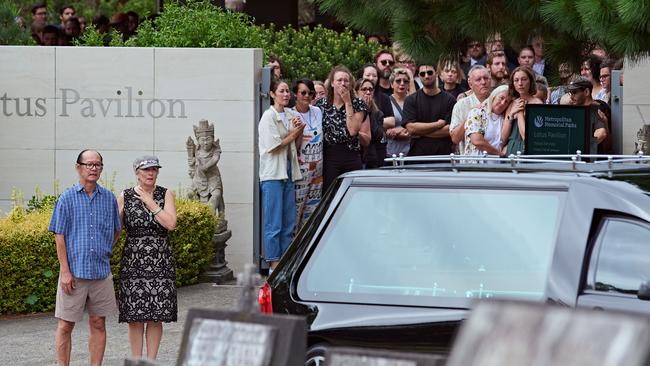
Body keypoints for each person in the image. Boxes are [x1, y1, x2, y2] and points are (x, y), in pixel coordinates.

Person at [49, 149, 121, 366]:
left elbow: (116, 230)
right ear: (78, 167)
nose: (93, 168)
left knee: (99, 323)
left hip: (101, 274)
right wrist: (65, 271)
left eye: (97, 164)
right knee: (65, 325)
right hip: (74, 274)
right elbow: (59, 235)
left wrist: (104, 249)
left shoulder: (108, 198)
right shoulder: (67, 198)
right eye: (89, 164)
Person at [118, 156, 177, 360]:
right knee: (134, 317)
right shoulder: (124, 196)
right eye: (146, 170)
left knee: (155, 316)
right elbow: (115, 230)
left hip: (160, 261)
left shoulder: (165, 193)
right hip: (133, 262)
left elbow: (170, 224)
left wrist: (150, 203)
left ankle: (150, 362)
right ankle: (136, 361)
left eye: (154, 169)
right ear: (137, 172)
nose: (150, 173)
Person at [258, 79, 304, 271]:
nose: (286, 95)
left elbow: (297, 145)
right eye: (281, 91)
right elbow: (274, 145)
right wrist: (294, 133)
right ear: (272, 94)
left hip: (288, 172)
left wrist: (299, 130)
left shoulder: (292, 114)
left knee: (289, 222)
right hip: (272, 176)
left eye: (287, 92)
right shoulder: (267, 117)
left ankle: (285, 263)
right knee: (273, 223)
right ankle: (274, 265)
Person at [315, 65, 368, 191]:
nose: (343, 84)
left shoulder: (358, 103)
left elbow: (353, 130)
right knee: (330, 193)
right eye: (339, 80)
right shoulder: (321, 104)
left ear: (350, 84)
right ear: (332, 83)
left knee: (352, 192)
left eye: (346, 80)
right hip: (330, 155)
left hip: (351, 154)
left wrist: (348, 102)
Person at [289, 79, 324, 230]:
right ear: (295, 94)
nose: (307, 96)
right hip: (301, 170)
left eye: (310, 93)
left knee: (313, 212)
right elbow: (293, 147)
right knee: (297, 211)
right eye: (303, 92)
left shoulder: (317, 111)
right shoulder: (290, 114)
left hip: (318, 169)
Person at [403, 63, 457, 156]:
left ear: (436, 73)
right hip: (417, 157)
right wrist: (438, 124)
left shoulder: (450, 99)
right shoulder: (411, 100)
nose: (426, 76)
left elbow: (449, 130)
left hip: (443, 157)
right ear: (419, 76)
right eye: (422, 74)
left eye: (429, 72)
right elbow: (411, 129)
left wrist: (420, 132)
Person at [450, 65, 492, 154]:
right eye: (478, 79)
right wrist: (470, 116)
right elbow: (455, 138)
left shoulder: (499, 101)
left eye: (486, 78)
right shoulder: (461, 105)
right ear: (470, 84)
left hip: (494, 158)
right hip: (469, 160)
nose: (483, 82)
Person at [502, 66, 544, 155]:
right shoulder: (511, 103)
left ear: (530, 81)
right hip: (511, 147)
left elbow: (527, 137)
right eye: (516, 80)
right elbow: (503, 137)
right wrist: (511, 116)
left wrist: (520, 112)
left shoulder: (537, 103)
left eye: (524, 79)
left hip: (526, 149)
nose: (520, 83)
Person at [464, 85, 511, 156]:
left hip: (496, 164)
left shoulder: (504, 119)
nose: (502, 103)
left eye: (507, 101)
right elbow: (477, 141)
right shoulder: (477, 113)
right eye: (501, 98)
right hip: (476, 163)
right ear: (494, 96)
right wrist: (500, 154)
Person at [567, 77, 609, 149]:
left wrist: (580, 148)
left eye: (574, 93)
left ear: (586, 92)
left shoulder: (596, 108)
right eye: (570, 93)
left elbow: (602, 133)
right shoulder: (580, 110)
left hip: (595, 158)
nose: (571, 97)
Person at [355, 78, 384, 167]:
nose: (368, 92)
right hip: (356, 157)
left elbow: (378, 135)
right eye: (364, 89)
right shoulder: (351, 112)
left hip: (371, 159)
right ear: (356, 92)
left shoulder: (378, 113)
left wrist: (367, 111)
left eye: (370, 90)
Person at [386, 68, 413, 157]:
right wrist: (390, 133)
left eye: (405, 81)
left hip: (411, 151)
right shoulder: (385, 102)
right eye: (398, 81)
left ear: (409, 84)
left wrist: (400, 130)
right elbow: (378, 126)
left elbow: (420, 123)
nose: (402, 83)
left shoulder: (415, 102)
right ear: (391, 84)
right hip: (391, 151)